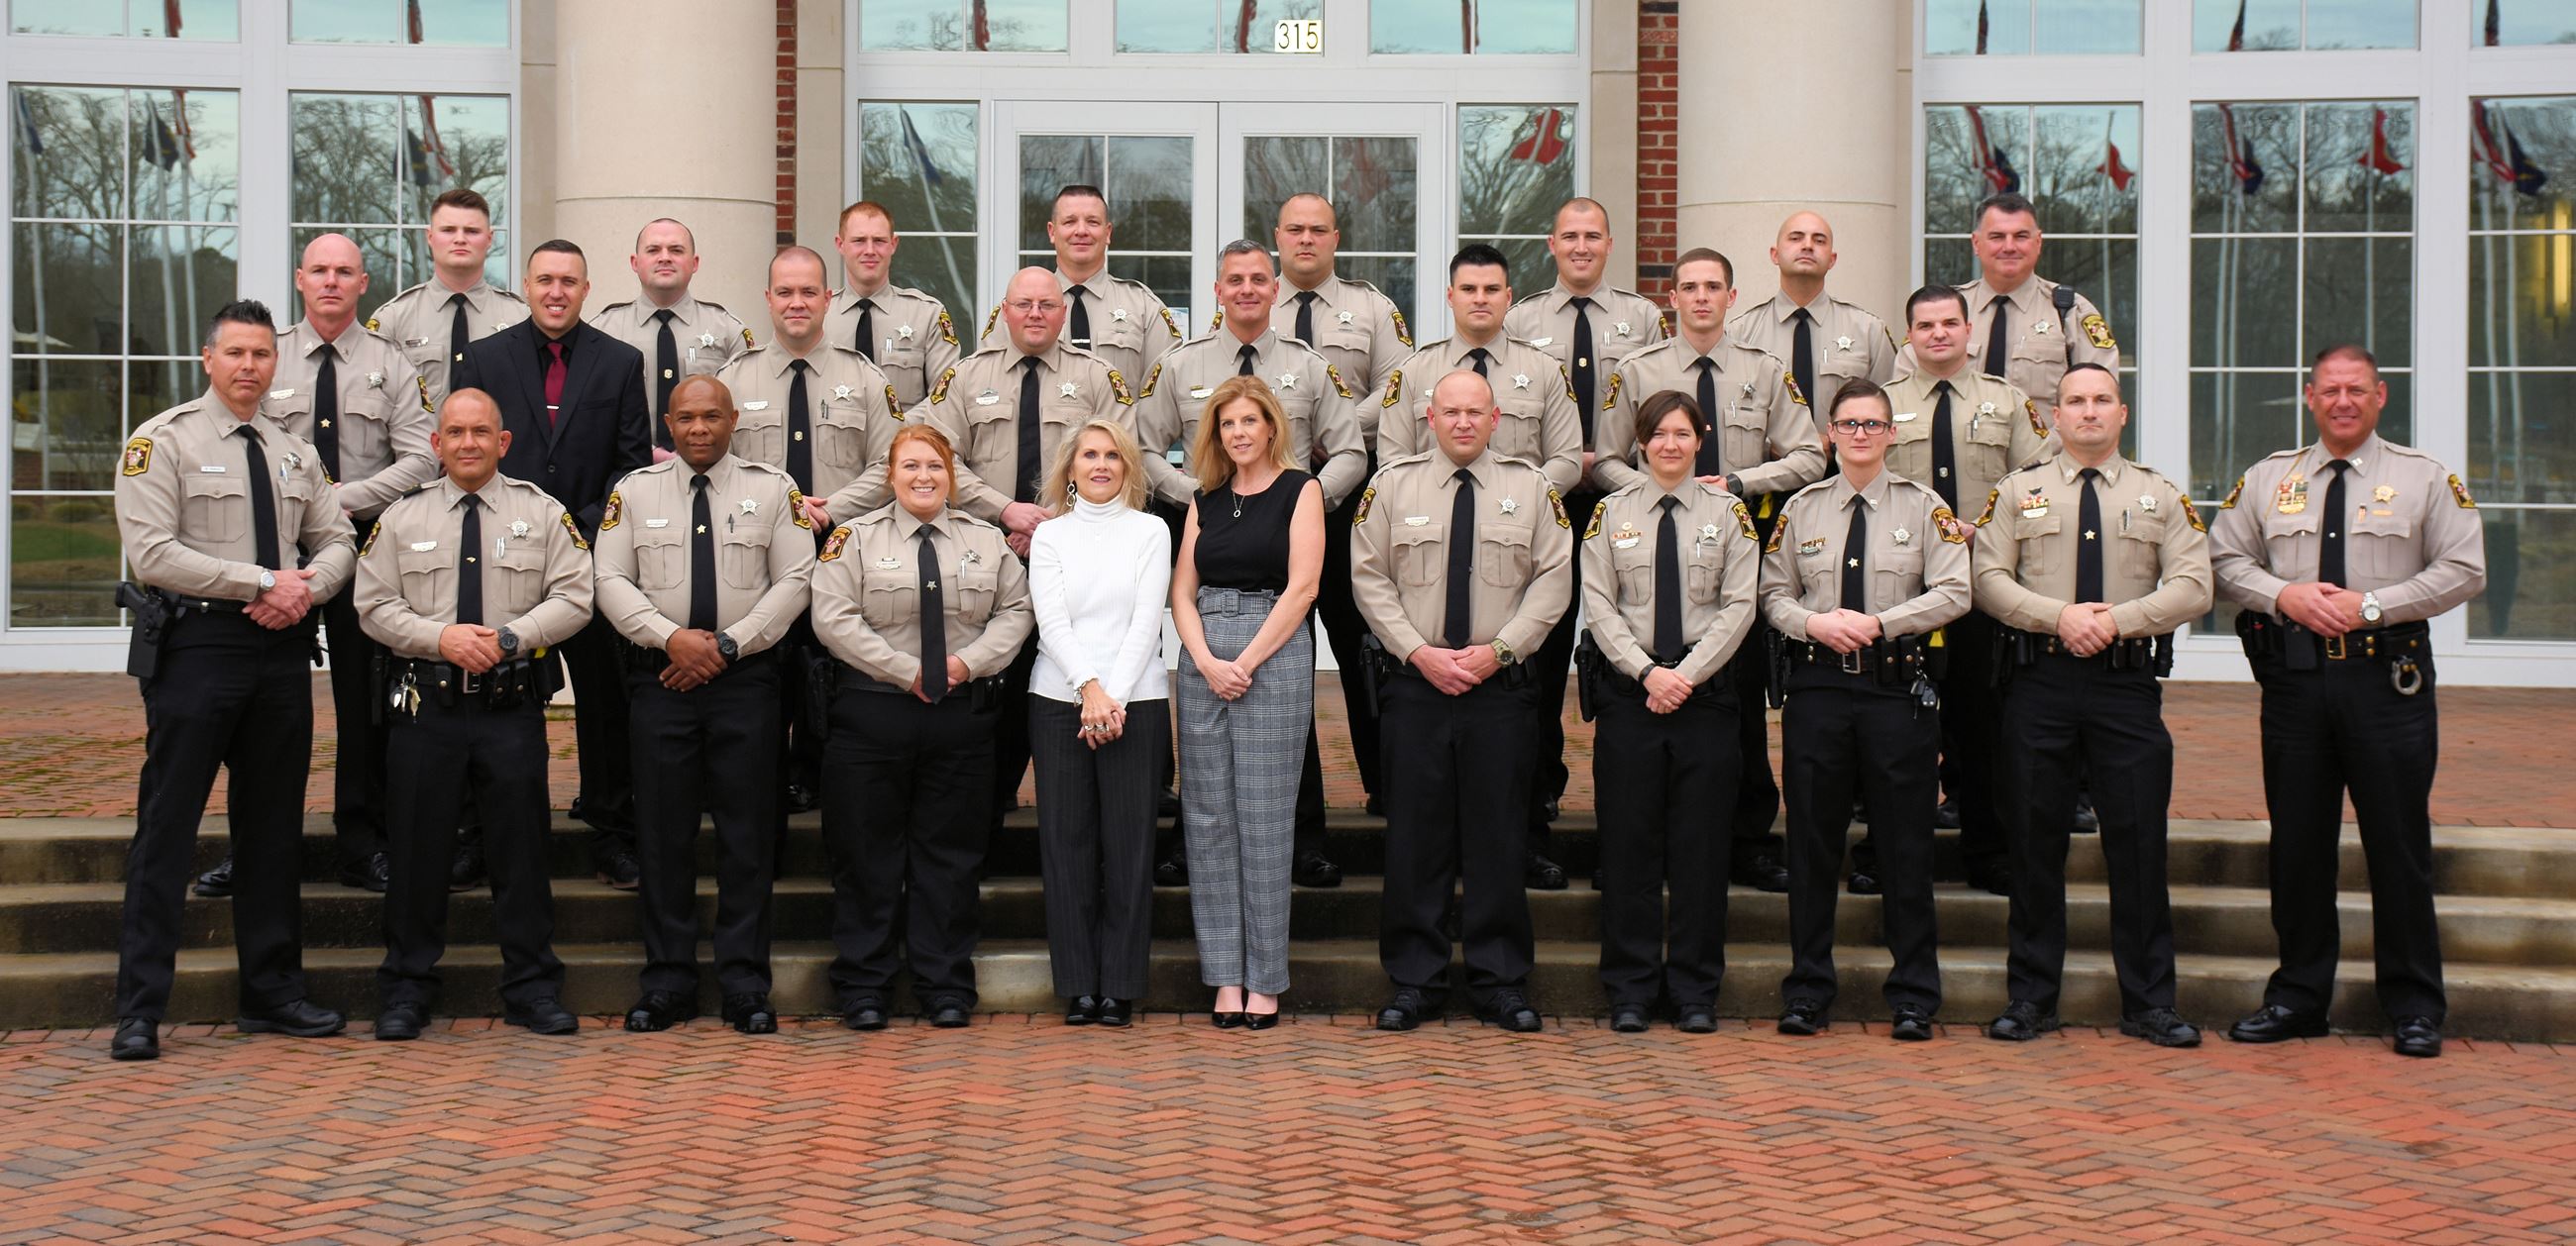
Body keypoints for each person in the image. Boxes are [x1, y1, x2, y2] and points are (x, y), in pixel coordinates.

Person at [2210, 345, 2487, 1059]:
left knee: (2398, 847)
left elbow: (2463, 568)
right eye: (2329, 390)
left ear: (2380, 396)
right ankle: (2298, 998)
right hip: (2296, 685)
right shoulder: (2270, 479)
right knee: (2298, 847)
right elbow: (2222, 559)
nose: (2342, 401)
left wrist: (2371, 606)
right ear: (2309, 397)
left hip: (2385, 681)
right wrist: (2286, 595)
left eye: (2356, 390)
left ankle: (2415, 1006)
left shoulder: (2423, 478)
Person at [108, 299, 358, 1061]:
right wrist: (259, 581)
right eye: (236, 353)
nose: (250, 366)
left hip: (280, 653)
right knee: (168, 827)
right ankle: (140, 1008)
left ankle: (273, 994)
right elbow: (151, 553)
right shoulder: (163, 442)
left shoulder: (293, 453)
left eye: (261, 354)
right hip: (198, 651)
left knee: (273, 829)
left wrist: (307, 590)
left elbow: (339, 536)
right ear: (207, 360)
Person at [1974, 363, 2210, 1048]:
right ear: (2055, 415)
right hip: (2039, 685)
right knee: (2033, 843)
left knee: (2138, 845)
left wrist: (2117, 620)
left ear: (2122, 414)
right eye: (2075, 401)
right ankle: (2030, 998)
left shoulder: (2159, 494)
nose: (2088, 412)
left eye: (2102, 400)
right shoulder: (2017, 492)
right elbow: (1986, 578)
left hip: (2124, 689)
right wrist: (2059, 617)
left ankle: (2149, 1004)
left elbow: (2195, 585)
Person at [194, 233, 434, 899]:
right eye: (320, 271)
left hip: (363, 550)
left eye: (345, 272)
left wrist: (335, 500)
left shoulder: (391, 363)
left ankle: (363, 843)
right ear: (300, 279)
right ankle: (256, 851)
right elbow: (237, 435)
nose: (331, 281)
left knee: (366, 707)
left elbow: (421, 457)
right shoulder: (266, 357)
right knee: (262, 707)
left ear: (364, 283)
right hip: (271, 556)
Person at [355, 387, 594, 1041]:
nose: (467, 443)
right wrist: (441, 639)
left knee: (521, 854)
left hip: (509, 708)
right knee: (416, 856)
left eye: (480, 432)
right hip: (424, 709)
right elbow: (372, 606)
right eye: (455, 432)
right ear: (435, 444)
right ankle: (406, 990)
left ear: (503, 442)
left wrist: (511, 637)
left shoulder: (541, 514)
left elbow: (576, 595)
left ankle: (532, 989)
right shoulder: (402, 518)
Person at [1132, 239, 1364, 888]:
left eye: (1258, 280)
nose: (1246, 290)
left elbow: (1348, 448)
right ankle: (1190, 843)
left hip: (1287, 532)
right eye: (1234, 280)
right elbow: (1145, 447)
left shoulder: (1309, 365)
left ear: (1275, 287)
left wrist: (1308, 496)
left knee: (1287, 694)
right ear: (1217, 290)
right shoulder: (1179, 366)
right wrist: (1198, 497)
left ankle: (1305, 841)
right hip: (1206, 529)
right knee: (1205, 701)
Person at [1599, 248, 1827, 893]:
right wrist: (1652, 489)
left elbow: (1810, 455)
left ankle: (1748, 840)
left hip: (1734, 547)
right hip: (1647, 544)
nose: (1701, 298)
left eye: (1713, 287)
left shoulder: (1764, 370)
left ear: (1732, 296)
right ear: (1672, 298)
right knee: (1648, 703)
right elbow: (1607, 459)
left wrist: (1736, 483)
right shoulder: (1637, 373)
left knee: (1741, 701)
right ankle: (1650, 843)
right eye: (1689, 287)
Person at [593, 375, 816, 1036]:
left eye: (711, 416)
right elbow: (607, 577)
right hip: (661, 681)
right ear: (668, 420)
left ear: (732, 419)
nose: (698, 428)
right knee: (662, 838)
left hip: (746, 683)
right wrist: (672, 641)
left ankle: (746, 984)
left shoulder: (773, 490)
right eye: (686, 417)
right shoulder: (632, 493)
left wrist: (725, 645)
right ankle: (667, 982)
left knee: (748, 839)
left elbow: (797, 578)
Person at [1353, 370, 1573, 1034]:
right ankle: (1414, 980)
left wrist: (1499, 651)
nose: (1463, 423)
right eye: (1450, 411)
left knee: (1499, 836)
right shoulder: (1391, 486)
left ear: (1497, 417)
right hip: (1417, 687)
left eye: (1475, 412)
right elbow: (1369, 576)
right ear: (1429, 416)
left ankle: (1500, 979)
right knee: (1415, 839)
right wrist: (1417, 652)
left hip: (1499, 691)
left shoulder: (1532, 489)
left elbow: (1554, 579)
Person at [1762, 380, 1969, 1042]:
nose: (1859, 435)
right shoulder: (1802, 509)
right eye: (1848, 424)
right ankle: (1808, 991)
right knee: (1813, 844)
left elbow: (1956, 590)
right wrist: (1814, 624)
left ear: (1891, 433)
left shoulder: (1925, 508)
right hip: (1818, 690)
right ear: (1829, 432)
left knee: (1905, 846)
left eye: (1872, 425)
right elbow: (1771, 593)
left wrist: (1880, 622)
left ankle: (1913, 995)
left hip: (1894, 692)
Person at [811, 425, 1034, 1030]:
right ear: (890, 475)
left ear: (952, 476)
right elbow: (833, 618)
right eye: (910, 466)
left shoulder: (985, 541)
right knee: (865, 856)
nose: (923, 477)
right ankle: (864, 985)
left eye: (935, 467)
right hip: (871, 716)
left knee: (951, 857)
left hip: (960, 716)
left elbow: (1018, 610)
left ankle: (945, 985)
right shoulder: (852, 540)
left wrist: (969, 663)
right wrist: (905, 670)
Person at [1382, 244, 1582, 890]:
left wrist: (1513, 507)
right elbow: (1394, 464)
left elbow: (1569, 459)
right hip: (1431, 559)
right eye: (1468, 288)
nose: (1480, 299)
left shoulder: (1544, 372)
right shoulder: (1414, 374)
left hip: (1518, 563)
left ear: (1509, 297)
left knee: (1531, 712)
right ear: (1449, 295)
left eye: (1493, 289)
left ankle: (1526, 836)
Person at [455, 238, 653, 889]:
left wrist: (578, 536)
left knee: (605, 701)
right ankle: (485, 832)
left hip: (592, 563)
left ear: (586, 288)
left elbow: (629, 468)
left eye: (569, 280)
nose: (557, 291)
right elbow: (469, 455)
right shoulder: (485, 358)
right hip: (505, 560)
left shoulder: (620, 363)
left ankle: (612, 830)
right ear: (528, 286)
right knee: (495, 699)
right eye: (545, 280)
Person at [915, 265, 1134, 827]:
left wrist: (1053, 523)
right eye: (1023, 304)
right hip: (986, 554)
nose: (1035, 313)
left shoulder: (1097, 379)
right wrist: (1004, 509)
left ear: (1063, 313)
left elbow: (1120, 461)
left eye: (1046, 304)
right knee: (995, 684)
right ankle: (988, 808)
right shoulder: (966, 378)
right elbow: (938, 458)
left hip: (1078, 551)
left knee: (1076, 668)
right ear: (1004, 312)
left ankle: (1084, 809)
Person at [1864, 284, 2053, 898]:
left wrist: (1989, 524)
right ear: (1909, 335)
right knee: (1894, 731)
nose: (1938, 334)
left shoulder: (2009, 402)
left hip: (1981, 589)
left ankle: (1990, 851)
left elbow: (2040, 484)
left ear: (1968, 330)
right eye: (1925, 325)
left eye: (1949, 324)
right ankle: (1883, 851)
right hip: (1901, 593)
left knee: (1983, 728)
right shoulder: (1881, 406)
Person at [1578, 390, 1760, 1034]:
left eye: (1683, 434)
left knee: (1700, 852)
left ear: (1701, 437)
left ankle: (1692, 992)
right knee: (1628, 851)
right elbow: (1599, 604)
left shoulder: (1731, 514)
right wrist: (1649, 671)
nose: (1671, 445)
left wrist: (1685, 674)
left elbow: (1741, 605)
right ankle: (1628, 990)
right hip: (1632, 696)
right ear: (1641, 441)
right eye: (1660, 435)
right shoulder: (1609, 514)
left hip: (1705, 699)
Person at [1503, 197, 1668, 888]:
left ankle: (1632, 808)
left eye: (1592, 236)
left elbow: (1661, 402)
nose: (1580, 246)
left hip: (1625, 498)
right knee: (1536, 656)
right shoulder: (1519, 319)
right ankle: (1539, 784)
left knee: (1622, 650)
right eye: (1568, 236)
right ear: (1550, 243)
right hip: (1543, 504)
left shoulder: (1644, 318)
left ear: (1609, 242)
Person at [719, 245, 905, 811]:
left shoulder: (864, 377)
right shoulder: (734, 377)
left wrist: (831, 509)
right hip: (756, 555)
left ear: (829, 299)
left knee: (834, 672)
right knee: (765, 672)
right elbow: (715, 466)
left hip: (840, 547)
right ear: (768, 299)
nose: (796, 303)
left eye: (808, 292)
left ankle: (825, 782)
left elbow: (890, 462)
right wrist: (782, 512)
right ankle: (765, 785)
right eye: (785, 292)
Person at [1171, 376, 1325, 1030]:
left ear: (1270, 428)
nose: (1238, 432)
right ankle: (1225, 976)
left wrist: (1247, 662)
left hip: (1273, 649)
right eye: (1226, 423)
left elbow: (1303, 586)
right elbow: (1181, 591)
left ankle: (1265, 979)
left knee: (1263, 815)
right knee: (1207, 818)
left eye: (1249, 421)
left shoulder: (1301, 491)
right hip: (1204, 654)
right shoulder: (1202, 501)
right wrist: (1206, 661)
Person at [1273, 192, 1412, 858]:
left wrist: (1338, 427)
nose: (1306, 240)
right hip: (1273, 506)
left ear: (1336, 237)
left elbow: (1400, 384)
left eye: (1318, 230)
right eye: (1295, 230)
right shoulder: (1251, 302)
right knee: (1282, 652)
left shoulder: (1372, 308)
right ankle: (1293, 803)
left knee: (1365, 646)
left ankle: (1386, 783)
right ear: (1278, 237)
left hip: (1351, 498)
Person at [1027, 419, 1172, 1028]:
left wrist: (1111, 695)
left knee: (1130, 845)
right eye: (1089, 455)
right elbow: (1051, 618)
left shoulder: (1152, 530)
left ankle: (1119, 983)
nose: (1101, 465)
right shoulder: (1051, 536)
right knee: (1067, 846)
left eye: (1113, 455)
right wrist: (1088, 688)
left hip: (1135, 701)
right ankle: (1078, 984)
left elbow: (1147, 617)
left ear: (1129, 466)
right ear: (1071, 467)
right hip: (1059, 700)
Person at [1917, 190, 2119, 429]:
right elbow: (1905, 395)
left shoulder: (2070, 312)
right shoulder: (1942, 310)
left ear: (2038, 242)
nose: (2009, 246)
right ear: (1976, 243)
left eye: (2021, 236)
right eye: (1997, 237)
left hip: (2043, 461)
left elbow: (2102, 403)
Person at [979, 183, 1182, 384]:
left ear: (1108, 232)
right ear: (1052, 231)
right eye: (1070, 222)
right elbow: (988, 382)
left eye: (1092, 222)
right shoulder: (1017, 309)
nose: (1081, 231)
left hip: (1120, 417)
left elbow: (1165, 393)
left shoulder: (1143, 307)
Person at [1729, 210, 1896, 444]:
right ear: (1775, 255)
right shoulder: (1741, 333)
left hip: (1844, 474)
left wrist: (1837, 443)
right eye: (1796, 238)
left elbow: (1888, 412)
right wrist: (1772, 445)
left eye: (1819, 240)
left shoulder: (1868, 331)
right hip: (1763, 473)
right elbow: (1730, 411)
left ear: (1832, 259)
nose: (1807, 246)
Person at [589, 217, 753, 452]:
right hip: (629, 470)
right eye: (653, 250)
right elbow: (594, 414)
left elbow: (742, 415)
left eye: (676, 250)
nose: (664, 257)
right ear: (635, 262)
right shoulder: (603, 331)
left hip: (708, 472)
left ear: (694, 263)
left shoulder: (727, 331)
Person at [369, 186, 527, 413]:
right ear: (430, 237)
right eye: (449, 230)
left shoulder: (520, 318)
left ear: (489, 238)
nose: (460, 239)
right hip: (420, 448)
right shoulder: (392, 320)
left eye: (472, 231)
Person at [825, 199, 963, 409]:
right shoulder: (820, 316)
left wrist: (896, 430)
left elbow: (946, 398)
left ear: (893, 245)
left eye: (879, 241)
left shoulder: (926, 316)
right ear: (840, 244)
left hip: (903, 439)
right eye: (859, 240)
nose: (870, 250)